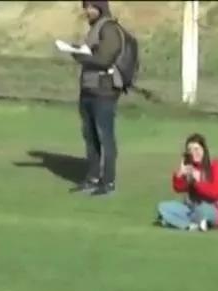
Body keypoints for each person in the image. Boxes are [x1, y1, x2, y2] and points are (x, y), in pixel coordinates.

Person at [68, 0, 124, 196]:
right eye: (85, 6)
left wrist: (81, 56)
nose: (87, 10)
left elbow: (105, 59)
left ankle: (108, 181)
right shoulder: (94, 29)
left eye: (91, 6)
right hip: (89, 89)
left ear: (100, 7)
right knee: (90, 136)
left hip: (104, 91)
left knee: (104, 136)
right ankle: (92, 177)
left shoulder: (109, 28)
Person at [157, 133, 218, 231]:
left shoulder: (216, 166)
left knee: (202, 210)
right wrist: (180, 174)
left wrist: (198, 180)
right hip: (192, 209)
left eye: (196, 149)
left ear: (204, 150)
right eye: (190, 150)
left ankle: (177, 222)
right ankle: (191, 225)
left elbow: (216, 192)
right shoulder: (191, 167)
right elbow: (179, 188)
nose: (193, 153)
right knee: (163, 207)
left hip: (213, 209)